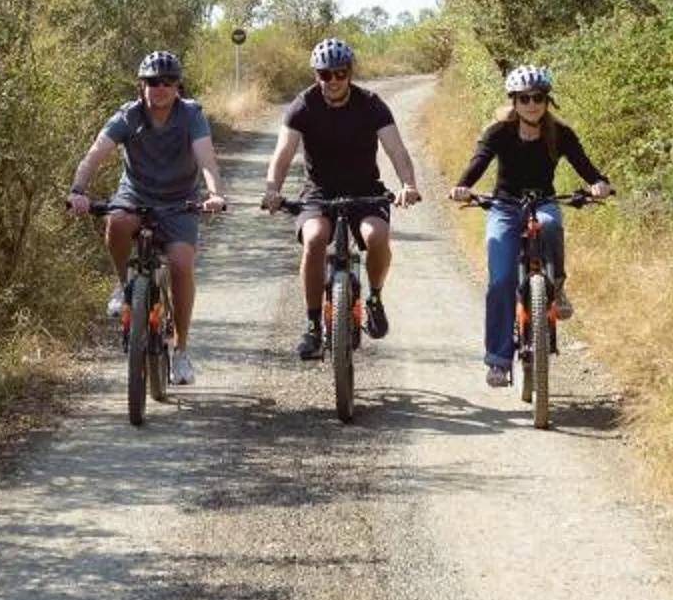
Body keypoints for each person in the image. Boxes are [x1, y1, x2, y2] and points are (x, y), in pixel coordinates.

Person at [448, 63, 614, 388]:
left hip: (544, 202)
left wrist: (599, 183)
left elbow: (585, 165)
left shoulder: (559, 133)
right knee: (501, 281)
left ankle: (559, 285)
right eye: (524, 98)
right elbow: (478, 162)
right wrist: (462, 186)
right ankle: (498, 361)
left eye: (538, 97)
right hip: (505, 206)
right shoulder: (498, 132)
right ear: (513, 101)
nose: (532, 104)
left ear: (546, 99)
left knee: (551, 226)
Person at [66, 50, 227, 386]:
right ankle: (124, 285)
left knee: (182, 263)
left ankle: (181, 352)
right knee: (117, 221)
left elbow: (206, 159)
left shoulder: (191, 114)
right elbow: (97, 151)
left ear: (178, 85)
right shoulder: (129, 115)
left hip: (179, 200)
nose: (160, 88)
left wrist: (213, 193)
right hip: (135, 194)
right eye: (153, 82)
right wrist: (79, 189)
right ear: (142, 85)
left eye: (168, 82)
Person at [259, 36, 424, 361]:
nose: (333, 81)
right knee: (315, 239)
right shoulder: (303, 105)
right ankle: (312, 325)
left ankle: (374, 298)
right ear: (316, 75)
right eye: (325, 74)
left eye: (340, 73)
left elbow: (397, 150)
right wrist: (272, 189)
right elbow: (283, 153)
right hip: (319, 193)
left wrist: (408, 183)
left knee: (376, 236)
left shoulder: (371, 103)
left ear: (349, 73)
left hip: (366, 190)